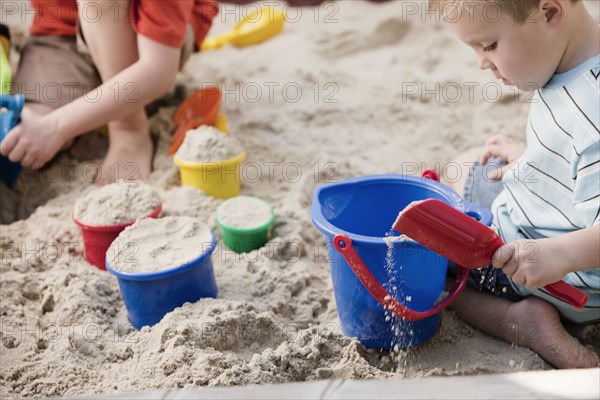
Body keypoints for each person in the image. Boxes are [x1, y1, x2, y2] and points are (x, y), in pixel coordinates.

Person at [431, 0, 599, 368]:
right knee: (464, 166)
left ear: (550, 13)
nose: (482, 62)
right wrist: (532, 158)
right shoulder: (573, 63)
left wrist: (558, 255)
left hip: (553, 275)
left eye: (489, 45)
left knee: (429, 276)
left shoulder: (592, 114)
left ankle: (522, 324)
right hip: (553, 226)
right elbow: (584, 165)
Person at [0, 0, 218, 184]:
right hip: (61, 33)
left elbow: (159, 69)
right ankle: (105, 104)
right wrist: (44, 127)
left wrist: (56, 127)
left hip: (145, 37)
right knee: (20, 135)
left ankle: (129, 131)